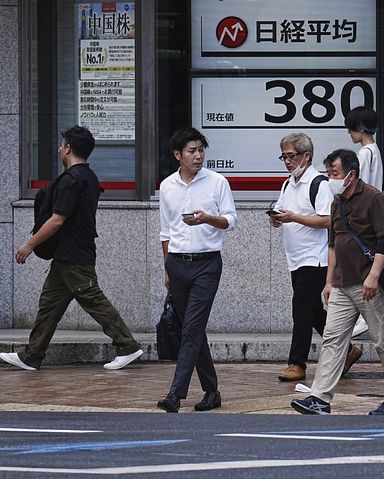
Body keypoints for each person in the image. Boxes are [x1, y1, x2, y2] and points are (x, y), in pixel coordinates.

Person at [0, 126, 143, 371]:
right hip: (68, 254)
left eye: (61, 145)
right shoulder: (89, 176)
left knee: (93, 299)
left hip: (74, 255)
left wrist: (29, 245)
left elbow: (57, 219)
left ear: (68, 148)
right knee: (49, 304)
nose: (59, 149)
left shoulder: (72, 180)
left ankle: (127, 345)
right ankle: (32, 355)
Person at [291, 149, 384, 415]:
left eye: (335, 174)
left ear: (351, 175)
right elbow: (333, 244)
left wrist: (374, 276)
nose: (330, 179)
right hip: (342, 284)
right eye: (328, 173)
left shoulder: (373, 198)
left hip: (367, 284)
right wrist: (329, 281)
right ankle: (320, 397)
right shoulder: (337, 201)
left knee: (383, 341)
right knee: (332, 339)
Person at [156, 127, 237, 413]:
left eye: (201, 150)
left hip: (207, 264)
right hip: (177, 264)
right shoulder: (167, 186)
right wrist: (167, 268)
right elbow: (166, 231)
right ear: (178, 155)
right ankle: (212, 391)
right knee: (194, 329)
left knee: (190, 328)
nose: (198, 156)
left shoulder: (217, 182)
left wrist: (207, 219)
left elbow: (230, 220)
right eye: (192, 151)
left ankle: (175, 394)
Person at [270, 133, 362, 382]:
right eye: (284, 157)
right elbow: (282, 210)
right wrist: (277, 219)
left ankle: (297, 363)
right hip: (296, 258)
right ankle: (347, 350)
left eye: (291, 156)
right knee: (311, 310)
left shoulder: (318, 183)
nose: (287, 162)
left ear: (306, 156)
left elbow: (326, 220)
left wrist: (294, 218)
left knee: (301, 310)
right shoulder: (288, 183)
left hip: (316, 258)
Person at [344, 106, 383, 338]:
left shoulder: (364, 153)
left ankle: (363, 316)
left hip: (363, 214)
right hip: (374, 211)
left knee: (360, 268)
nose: (349, 133)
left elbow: (359, 185)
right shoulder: (375, 151)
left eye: (351, 128)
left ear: (360, 128)